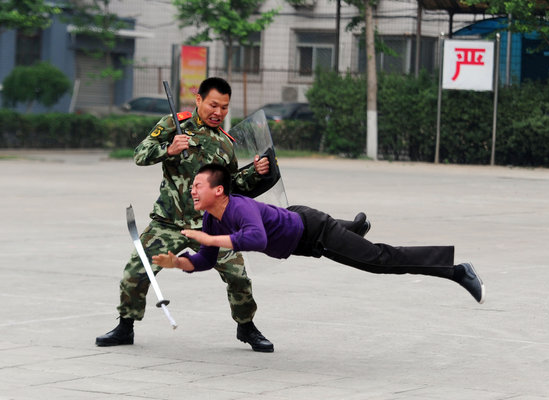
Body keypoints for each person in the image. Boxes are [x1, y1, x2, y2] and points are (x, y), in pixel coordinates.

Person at [96, 77, 359, 352]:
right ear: (198, 100)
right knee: (136, 272)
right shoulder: (174, 125)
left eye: (224, 107)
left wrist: (254, 173)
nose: (218, 112)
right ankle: (125, 326)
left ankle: (246, 327)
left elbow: (231, 188)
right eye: (212, 105)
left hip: (212, 225)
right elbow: (140, 154)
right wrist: (169, 148)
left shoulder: (225, 142)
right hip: (168, 222)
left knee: (239, 277)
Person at [152, 164, 486, 311]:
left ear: (219, 190)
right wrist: (179, 262)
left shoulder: (238, 209)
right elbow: (205, 261)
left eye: (198, 186)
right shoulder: (212, 219)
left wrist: (209, 241)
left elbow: (254, 240)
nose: (192, 190)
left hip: (315, 232)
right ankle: (353, 229)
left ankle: (457, 270)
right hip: (303, 227)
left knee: (380, 261)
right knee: (348, 241)